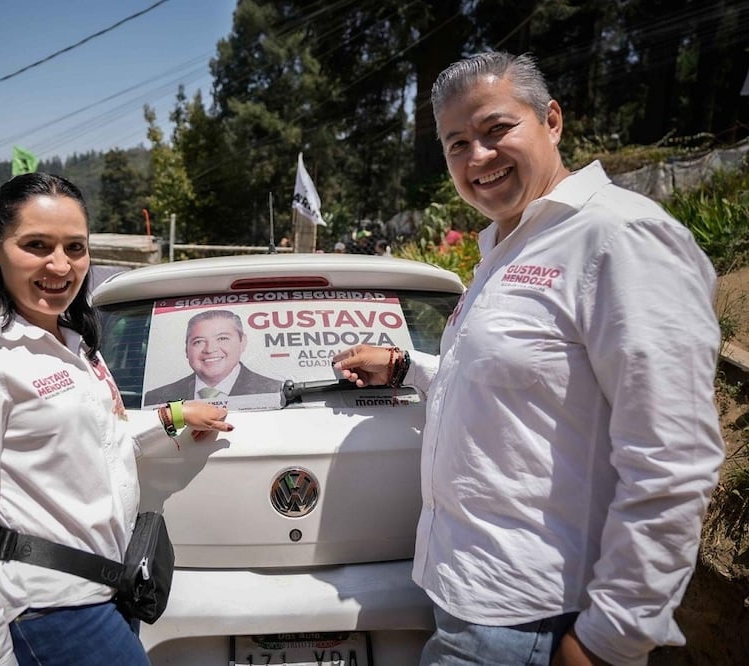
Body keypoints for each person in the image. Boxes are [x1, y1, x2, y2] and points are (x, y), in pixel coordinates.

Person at [333, 52, 724, 666]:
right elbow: (520, 383)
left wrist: (608, 639)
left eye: (496, 129)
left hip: (536, 620)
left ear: (552, 120)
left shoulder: (619, 237)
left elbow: (674, 458)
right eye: (457, 143)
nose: (478, 157)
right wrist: (407, 368)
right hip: (472, 601)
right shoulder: (510, 244)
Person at [0, 173, 232, 666]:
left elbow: (99, 437)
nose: (60, 266)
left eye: (74, 248)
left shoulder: (72, 340)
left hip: (109, 590)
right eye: (36, 245)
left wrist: (175, 415)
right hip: (49, 610)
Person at [144, 309, 283, 406]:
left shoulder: (276, 392)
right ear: (187, 349)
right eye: (199, 342)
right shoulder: (156, 398)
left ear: (243, 342)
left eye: (222, 338)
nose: (210, 349)